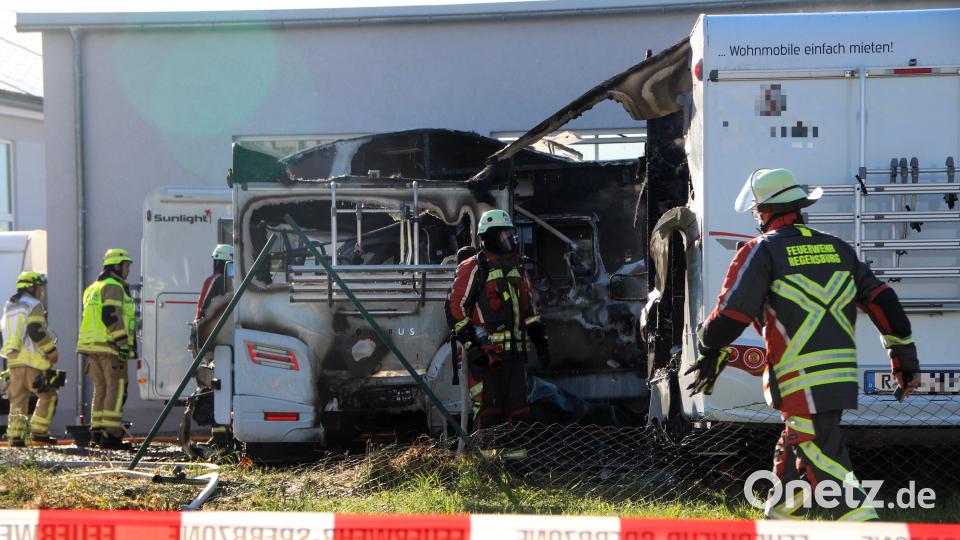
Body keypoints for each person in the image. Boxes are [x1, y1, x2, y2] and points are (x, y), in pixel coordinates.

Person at [686, 168, 920, 522]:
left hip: (800, 380)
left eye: (756, 212)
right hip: (838, 378)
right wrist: (904, 360)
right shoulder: (838, 249)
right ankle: (778, 527)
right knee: (794, 455)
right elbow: (882, 301)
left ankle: (867, 529)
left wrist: (707, 347)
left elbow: (731, 315)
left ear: (764, 212)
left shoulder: (761, 251)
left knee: (821, 458)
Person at [447, 209, 550, 428]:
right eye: (503, 235)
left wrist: (541, 342)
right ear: (490, 237)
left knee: (519, 411)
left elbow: (530, 312)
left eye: (510, 234)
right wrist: (472, 347)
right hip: (487, 359)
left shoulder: (517, 268)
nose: (509, 240)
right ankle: (486, 461)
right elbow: (456, 307)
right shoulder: (474, 267)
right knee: (489, 412)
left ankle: (514, 460)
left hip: (515, 357)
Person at [77, 248, 136, 450]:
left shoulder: (93, 287)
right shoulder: (114, 287)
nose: (128, 270)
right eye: (126, 266)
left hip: (93, 348)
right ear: (117, 266)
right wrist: (122, 343)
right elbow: (110, 315)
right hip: (110, 347)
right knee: (116, 389)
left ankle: (97, 434)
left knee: (100, 390)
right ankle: (111, 436)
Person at [0, 272, 60, 446]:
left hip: (13, 361)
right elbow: (36, 330)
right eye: (39, 287)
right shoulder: (33, 305)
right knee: (48, 394)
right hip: (30, 360)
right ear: (31, 287)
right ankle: (38, 432)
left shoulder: (10, 306)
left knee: (18, 399)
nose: (41, 291)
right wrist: (51, 350)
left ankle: (16, 437)